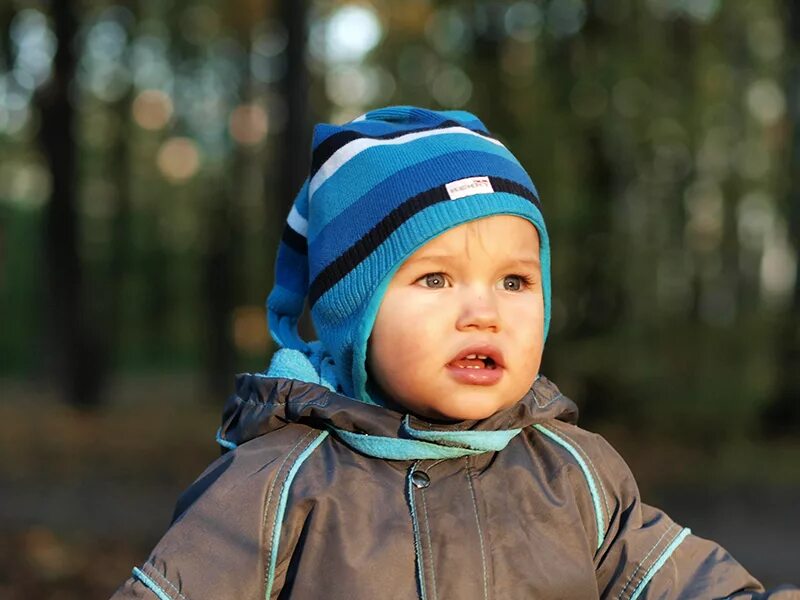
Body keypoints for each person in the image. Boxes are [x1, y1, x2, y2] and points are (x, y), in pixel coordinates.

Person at [111, 106, 798, 599]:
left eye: (515, 280)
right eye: (435, 279)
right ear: (356, 319)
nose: (484, 311)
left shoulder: (572, 471)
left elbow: (669, 578)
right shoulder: (280, 483)